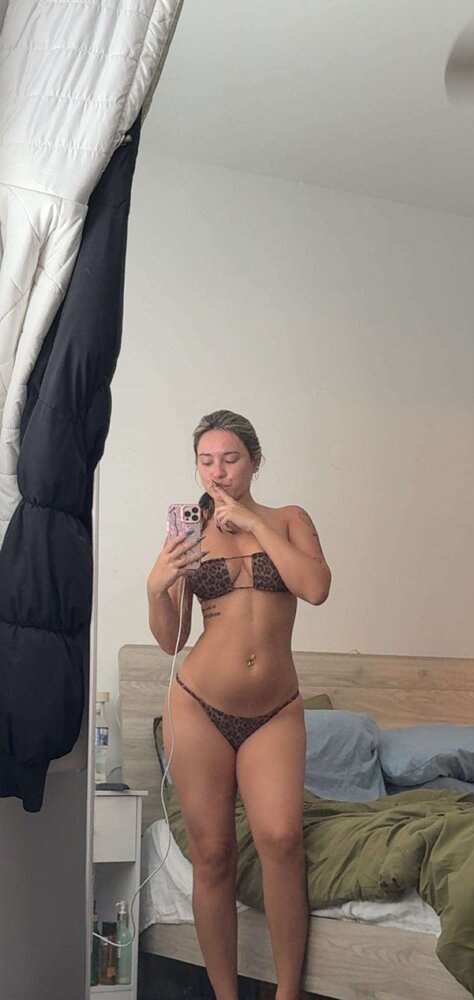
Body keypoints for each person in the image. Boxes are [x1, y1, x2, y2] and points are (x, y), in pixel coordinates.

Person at [146, 409, 332, 1000]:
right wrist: (156, 585)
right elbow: (173, 639)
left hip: (274, 710)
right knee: (214, 854)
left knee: (281, 839)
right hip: (198, 705)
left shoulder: (289, 518)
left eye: (230, 459)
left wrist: (251, 520)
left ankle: (287, 993)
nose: (217, 472)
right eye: (206, 461)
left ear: (254, 461)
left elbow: (316, 587)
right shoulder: (188, 533)